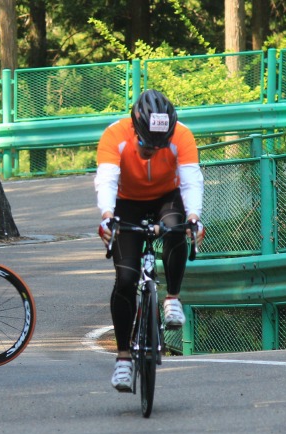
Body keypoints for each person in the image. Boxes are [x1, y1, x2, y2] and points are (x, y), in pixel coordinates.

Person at [94, 89, 204, 392]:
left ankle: (172, 299)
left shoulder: (182, 136)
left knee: (177, 227)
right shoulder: (114, 134)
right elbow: (106, 178)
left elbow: (191, 178)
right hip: (125, 201)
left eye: (160, 145)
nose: (152, 151)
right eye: (146, 145)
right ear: (135, 128)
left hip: (166, 198)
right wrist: (107, 215)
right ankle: (123, 358)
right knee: (126, 278)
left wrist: (194, 216)